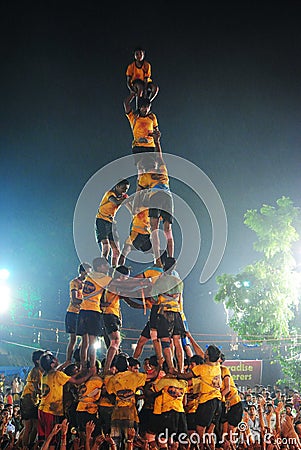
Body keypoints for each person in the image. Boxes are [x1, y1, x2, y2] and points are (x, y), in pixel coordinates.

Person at [38, 352, 94, 450]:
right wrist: (90, 373)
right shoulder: (58, 375)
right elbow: (76, 381)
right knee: (53, 438)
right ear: (52, 364)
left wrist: (66, 363)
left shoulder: (45, 374)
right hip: (51, 412)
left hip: (42, 409)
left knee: (46, 437)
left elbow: (58, 370)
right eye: (54, 359)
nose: (56, 359)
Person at [135, 130, 174, 266]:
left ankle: (157, 259)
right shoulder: (162, 168)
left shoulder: (144, 177)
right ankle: (170, 257)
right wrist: (157, 141)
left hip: (156, 197)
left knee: (154, 229)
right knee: (167, 229)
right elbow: (159, 155)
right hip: (168, 197)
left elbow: (139, 193)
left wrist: (136, 208)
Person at [95, 179, 130, 267]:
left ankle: (114, 269)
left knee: (116, 249)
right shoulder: (110, 194)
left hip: (110, 222)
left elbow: (131, 208)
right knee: (106, 245)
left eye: (126, 189)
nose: (124, 191)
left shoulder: (123, 196)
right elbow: (116, 202)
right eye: (123, 188)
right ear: (117, 186)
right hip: (101, 220)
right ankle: (103, 266)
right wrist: (127, 199)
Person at [123, 93, 159, 168]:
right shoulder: (134, 117)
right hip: (138, 146)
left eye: (147, 107)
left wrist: (154, 134)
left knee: (152, 167)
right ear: (140, 107)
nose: (145, 109)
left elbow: (156, 130)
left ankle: (150, 179)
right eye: (143, 107)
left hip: (150, 146)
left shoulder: (152, 117)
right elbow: (126, 104)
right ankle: (141, 179)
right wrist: (133, 93)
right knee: (140, 167)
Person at [65, 262, 92, 363]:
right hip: (73, 313)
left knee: (86, 339)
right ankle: (68, 360)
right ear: (82, 272)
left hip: (83, 314)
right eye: (87, 273)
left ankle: (82, 360)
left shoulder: (88, 285)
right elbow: (74, 300)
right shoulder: (74, 282)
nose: (89, 275)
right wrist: (88, 301)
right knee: (73, 339)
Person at [19, 349, 45, 449]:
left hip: (34, 400)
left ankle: (28, 444)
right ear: (38, 361)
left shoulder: (41, 371)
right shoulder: (36, 371)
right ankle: (24, 446)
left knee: (35, 425)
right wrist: (45, 394)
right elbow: (35, 387)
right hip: (28, 399)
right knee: (29, 426)